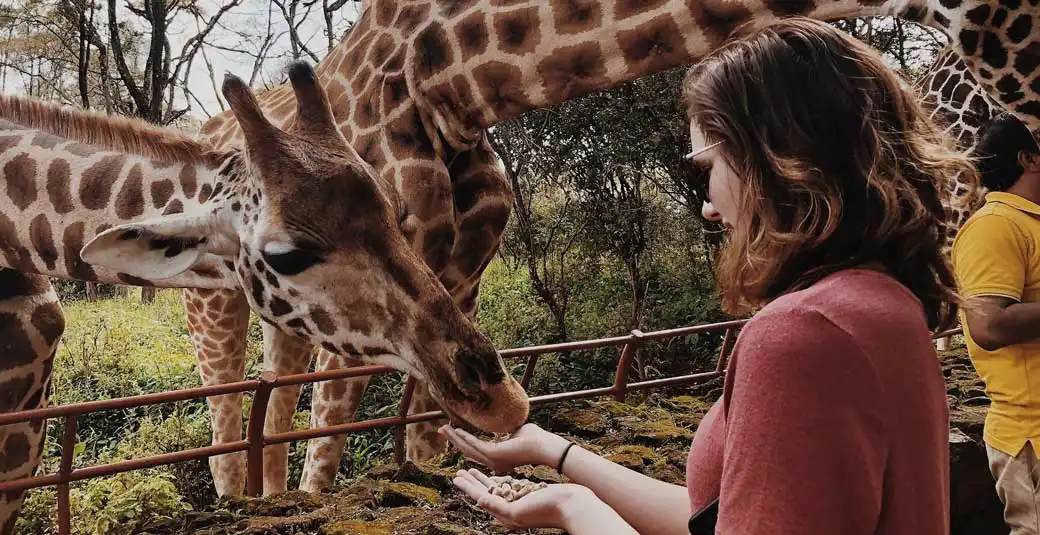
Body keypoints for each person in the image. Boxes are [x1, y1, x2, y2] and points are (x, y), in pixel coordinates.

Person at [439, 16, 979, 535]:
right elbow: (725, 517)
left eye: (708, 169)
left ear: (775, 161)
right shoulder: (877, 303)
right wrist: (555, 455)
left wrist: (574, 511)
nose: (709, 209)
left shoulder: (803, 336)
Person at [950, 112, 1040, 534]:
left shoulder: (1029, 224)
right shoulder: (995, 226)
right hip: (1033, 438)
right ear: (1029, 159)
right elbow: (989, 324)